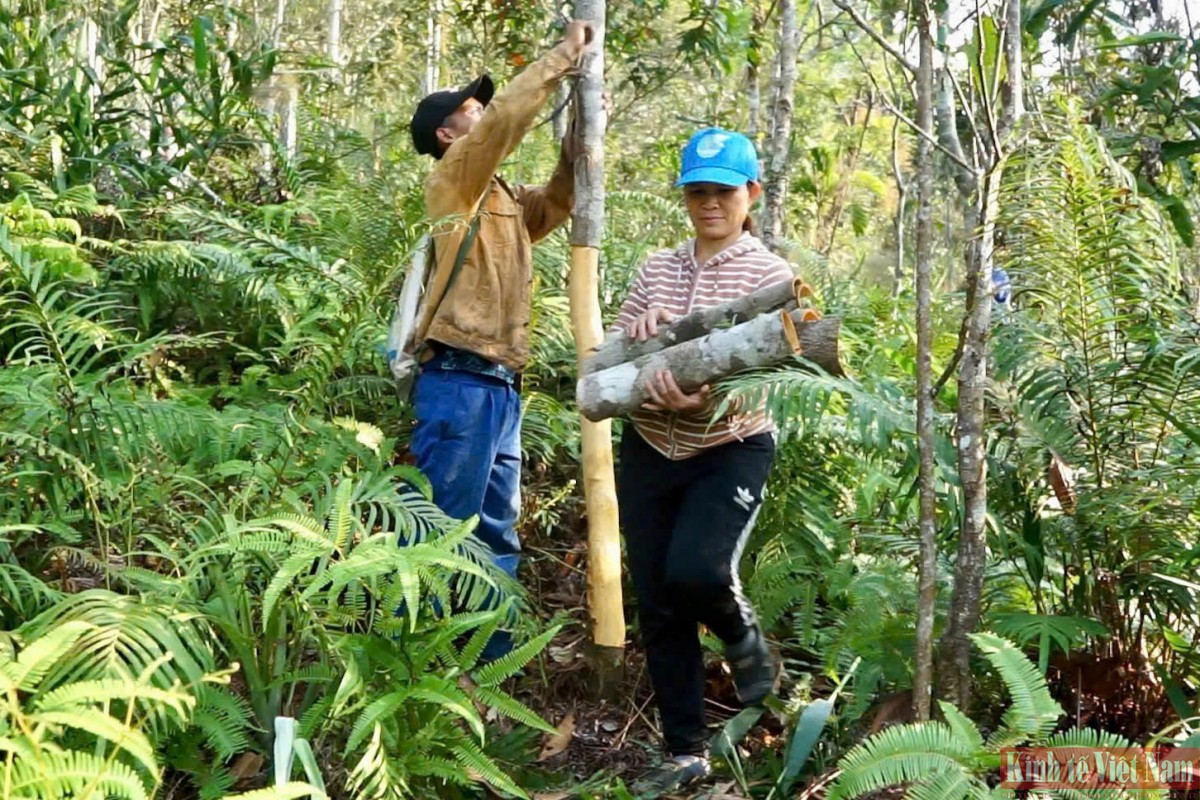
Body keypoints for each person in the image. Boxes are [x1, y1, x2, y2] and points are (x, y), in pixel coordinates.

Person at [615, 128, 794, 796]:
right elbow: (615, 353)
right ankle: (685, 749)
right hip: (649, 444)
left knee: (697, 571)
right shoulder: (656, 267)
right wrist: (643, 335)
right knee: (658, 602)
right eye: (697, 191)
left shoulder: (770, 276)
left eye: (723, 190)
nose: (709, 203)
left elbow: (782, 372)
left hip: (730, 447)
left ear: (751, 193)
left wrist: (705, 394)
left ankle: (744, 640)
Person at [407, 20, 593, 662]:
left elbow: (559, 202)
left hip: (500, 386)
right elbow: (502, 127)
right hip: (458, 381)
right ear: (447, 134)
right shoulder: (454, 183)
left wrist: (577, 142)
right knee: (443, 533)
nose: (480, 111)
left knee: (495, 532)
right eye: (467, 108)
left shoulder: (504, 199)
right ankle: (427, 670)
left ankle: (491, 668)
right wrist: (561, 59)